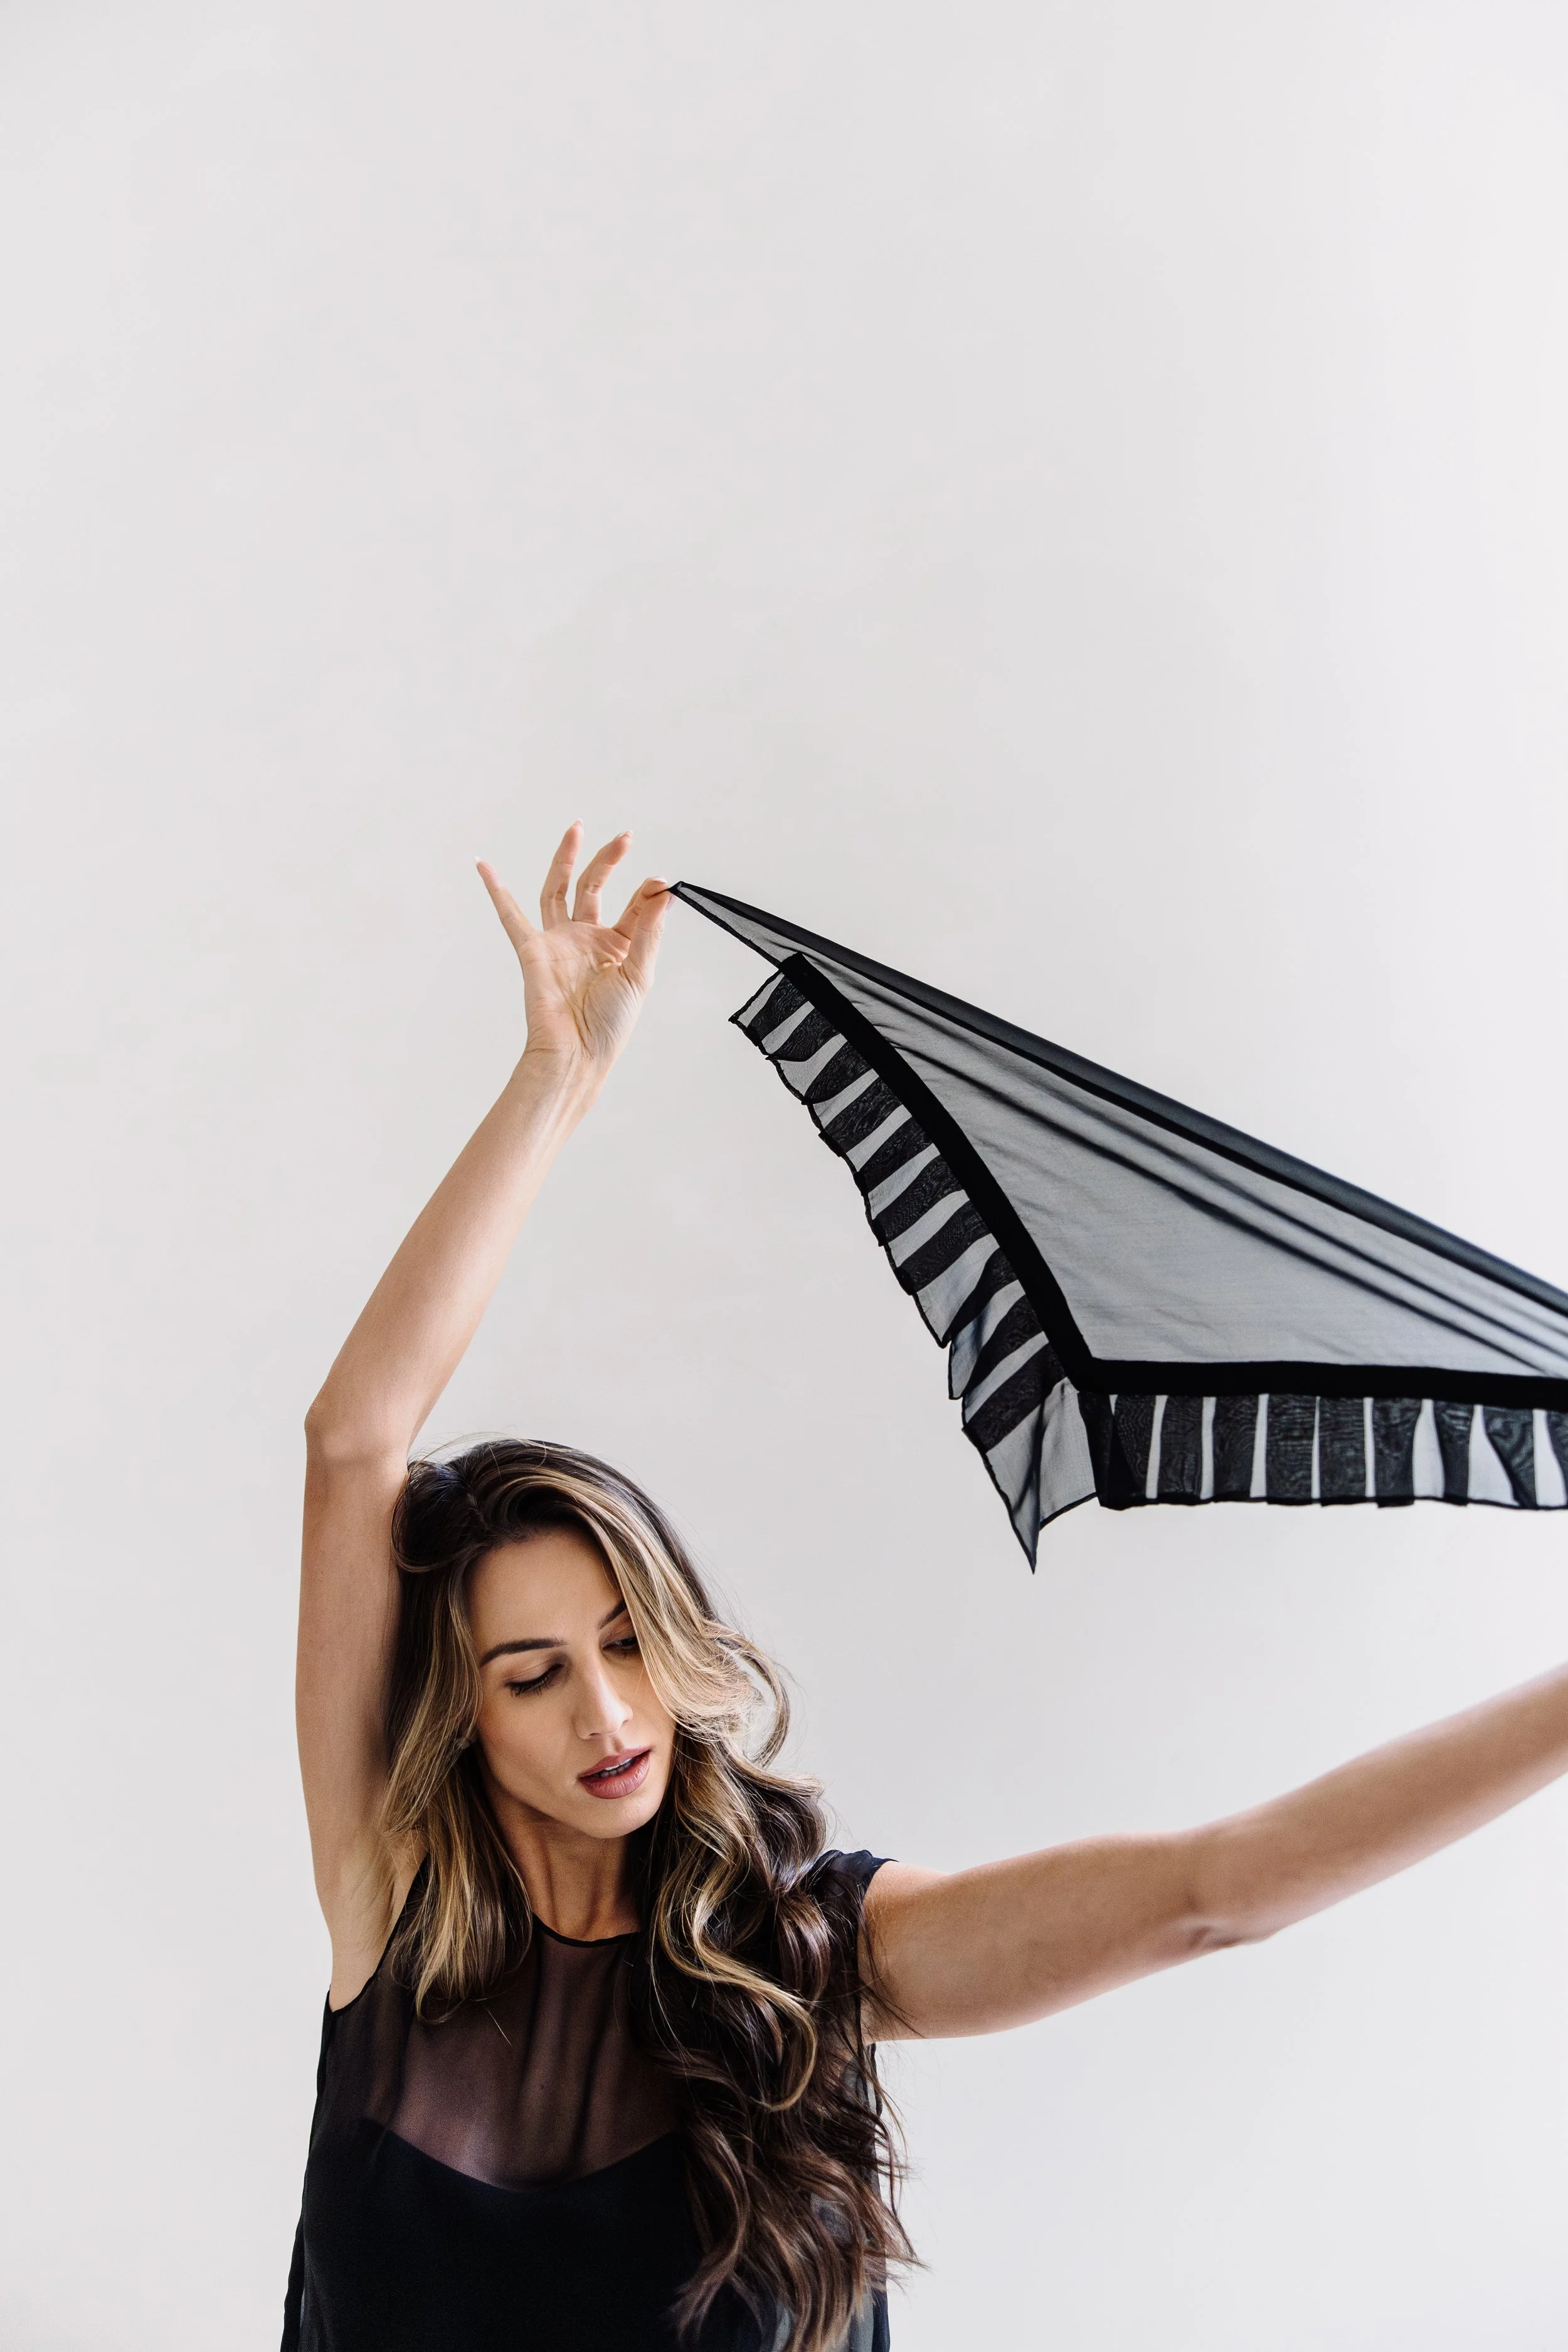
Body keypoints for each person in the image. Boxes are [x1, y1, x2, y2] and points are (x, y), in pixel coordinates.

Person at [285, 824, 1568, 2352]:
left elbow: (1215, 1891)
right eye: (533, 1673)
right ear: (464, 1717)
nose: (608, 1709)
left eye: (628, 1641)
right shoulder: (393, 1908)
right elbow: (354, 1441)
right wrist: (553, 1085)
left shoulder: (805, 1956)